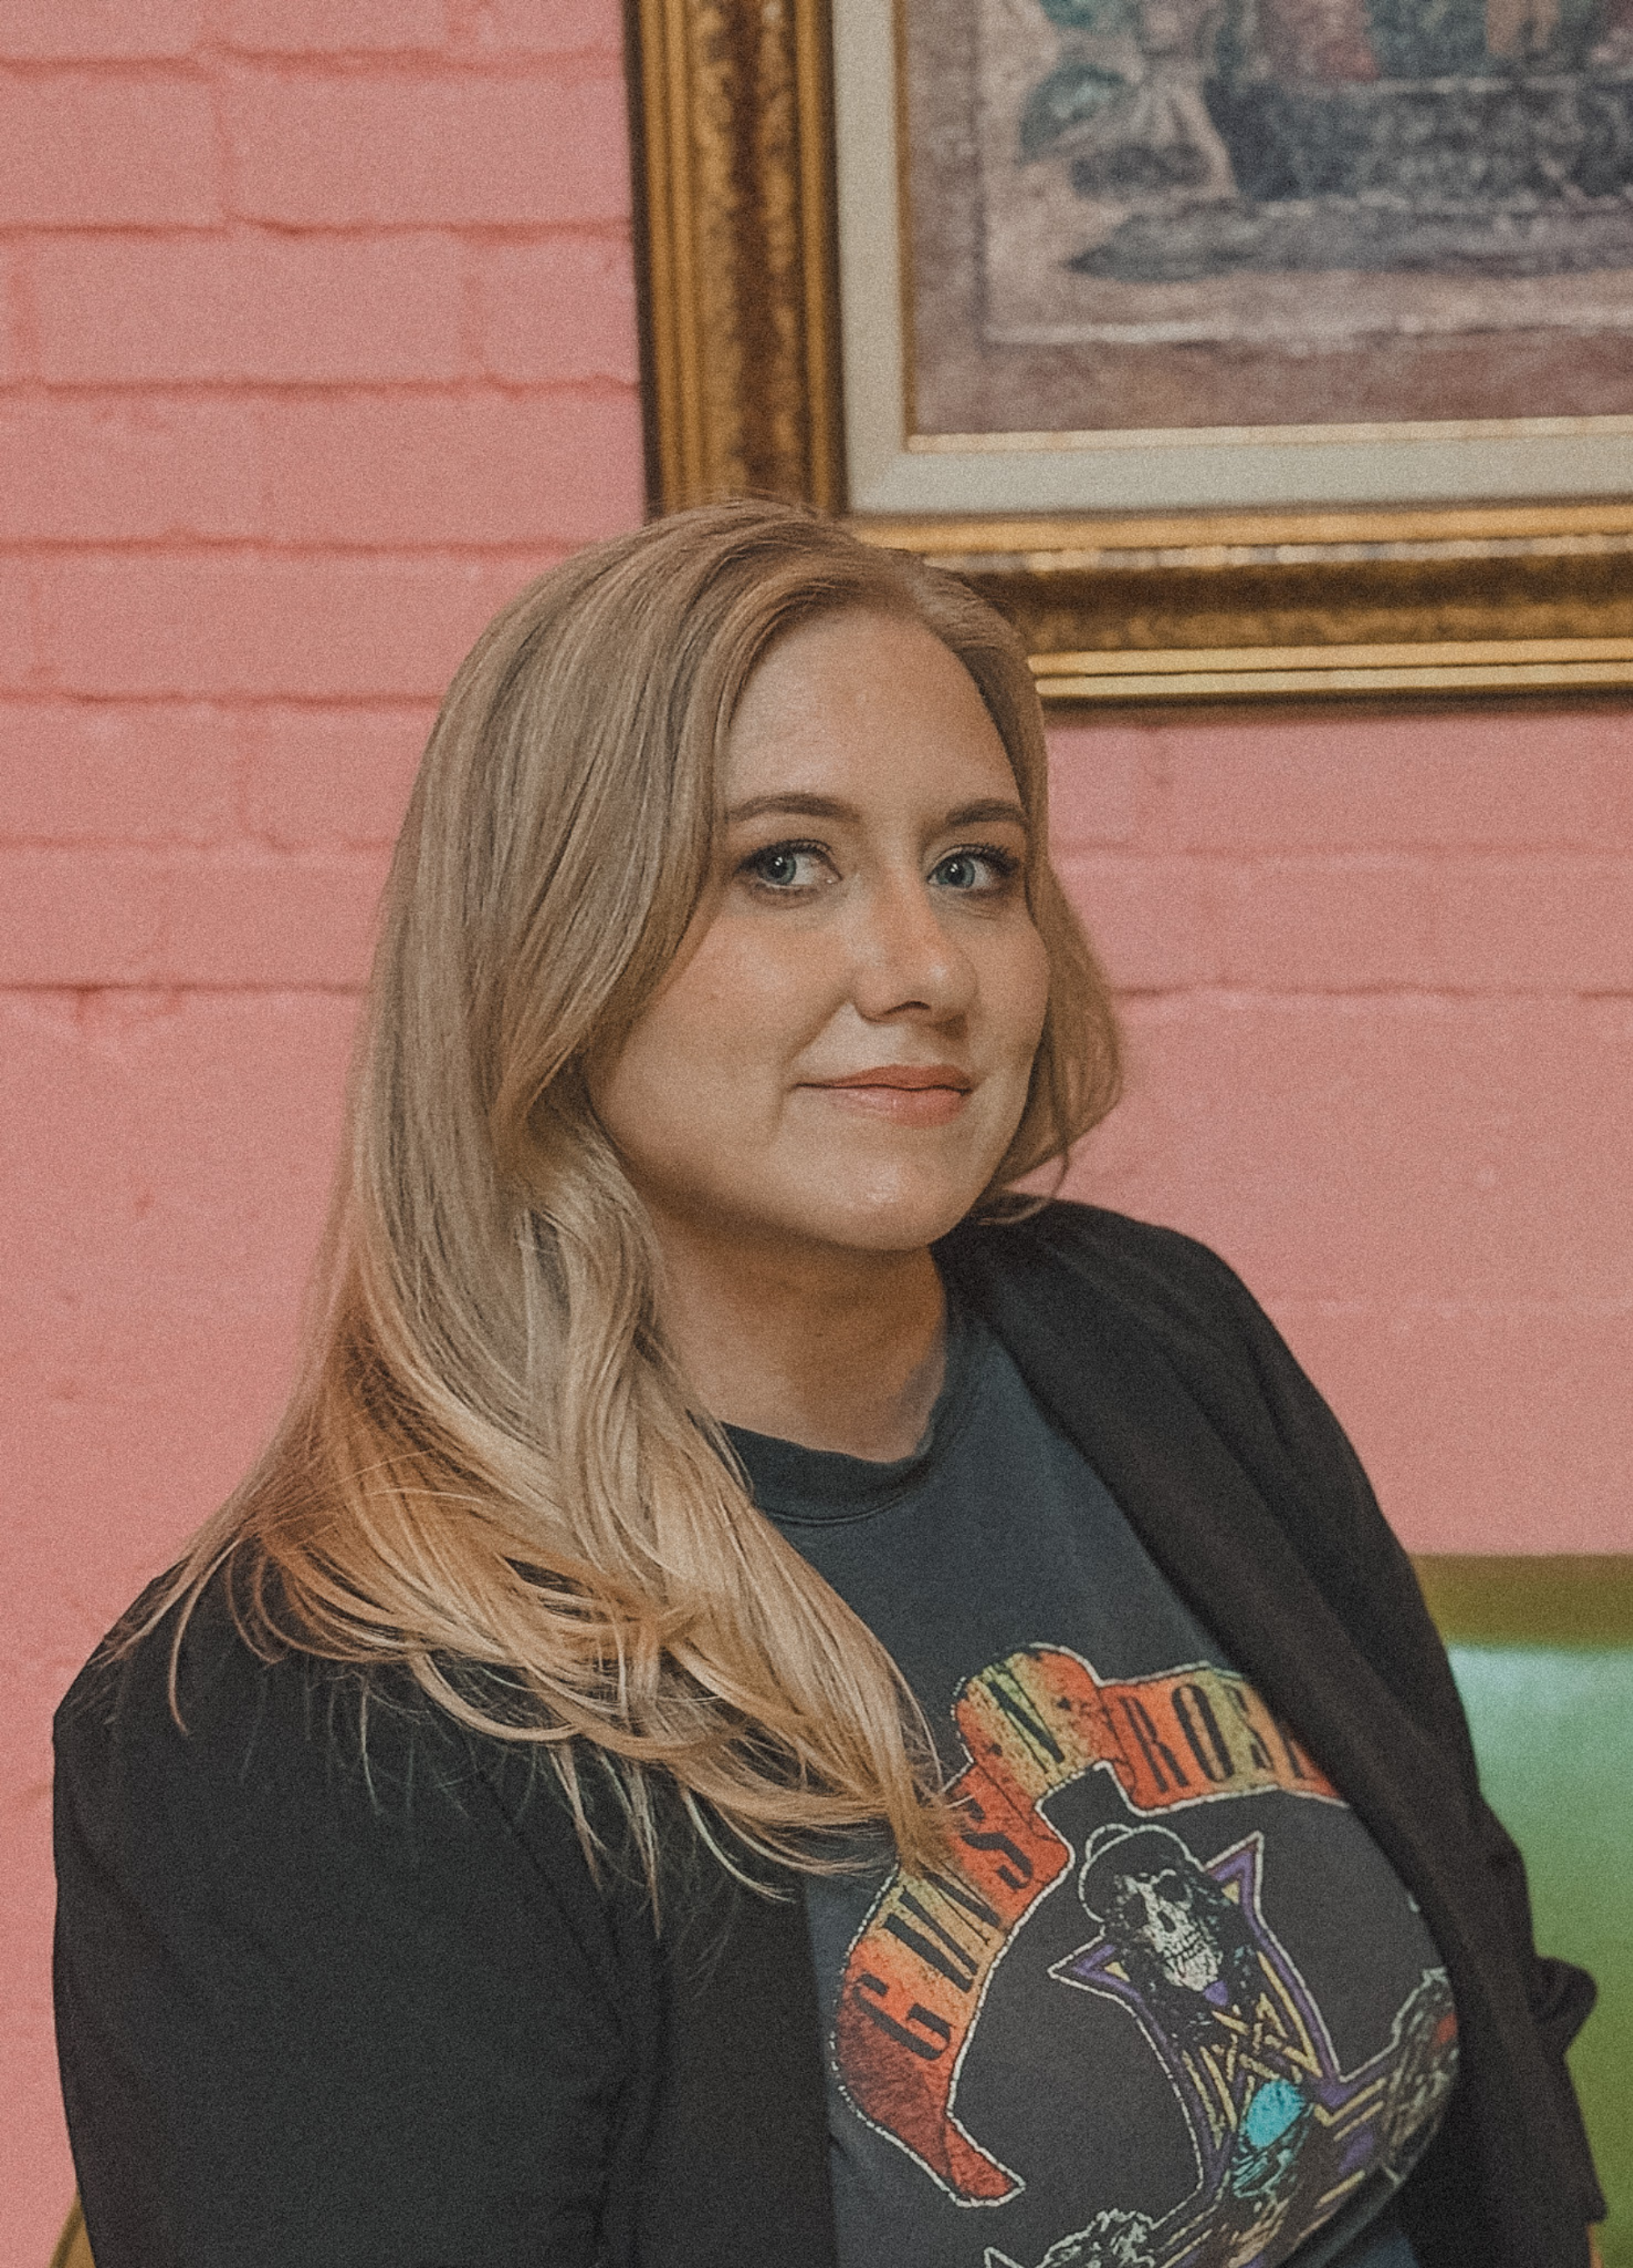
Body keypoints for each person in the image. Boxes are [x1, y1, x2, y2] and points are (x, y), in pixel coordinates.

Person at [53, 501, 1602, 2268]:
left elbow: (1462, 1937)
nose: (924, 969)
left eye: (974, 866)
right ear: (546, 943)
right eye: (781, 864)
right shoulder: (303, 1719)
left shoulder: (1150, 1339)